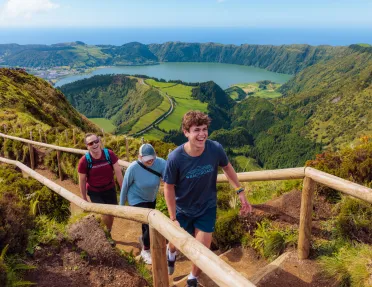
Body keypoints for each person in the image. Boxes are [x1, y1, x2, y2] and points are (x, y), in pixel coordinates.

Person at [163, 111, 252, 287]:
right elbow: (168, 187)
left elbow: (227, 167)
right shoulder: (175, 158)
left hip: (207, 208)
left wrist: (240, 191)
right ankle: (170, 253)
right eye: (197, 130)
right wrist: (172, 218)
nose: (202, 134)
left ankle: (192, 278)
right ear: (186, 132)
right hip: (183, 209)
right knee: (174, 243)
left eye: (204, 129)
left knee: (202, 251)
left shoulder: (215, 149)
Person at [120, 143, 166, 265]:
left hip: (151, 197)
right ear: (140, 157)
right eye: (147, 159)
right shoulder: (133, 168)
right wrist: (120, 206)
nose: (150, 161)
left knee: (147, 223)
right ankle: (145, 250)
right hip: (136, 198)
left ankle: (143, 239)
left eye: (152, 158)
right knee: (148, 222)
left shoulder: (161, 163)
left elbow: (168, 178)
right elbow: (125, 186)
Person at [78, 133, 123, 245]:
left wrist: (123, 189)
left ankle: (107, 231)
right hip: (95, 191)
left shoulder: (109, 154)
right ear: (87, 146)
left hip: (110, 188)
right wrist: (84, 197)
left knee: (112, 213)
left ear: (100, 141)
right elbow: (82, 180)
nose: (95, 144)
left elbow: (118, 172)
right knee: (104, 213)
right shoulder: (84, 161)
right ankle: (106, 236)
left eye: (96, 141)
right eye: (90, 143)